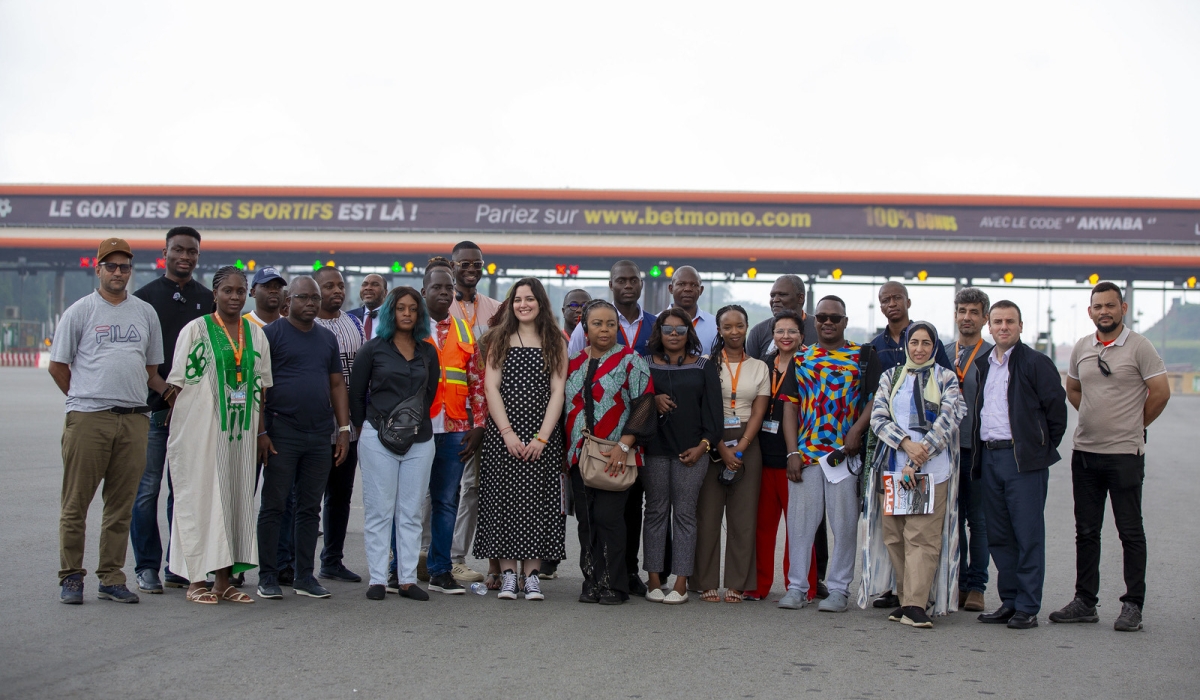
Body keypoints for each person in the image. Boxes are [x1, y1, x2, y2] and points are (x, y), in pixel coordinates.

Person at [49, 237, 166, 604]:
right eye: (111, 266)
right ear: (97, 269)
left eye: (125, 267)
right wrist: (85, 397)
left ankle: (111, 576)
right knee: (76, 504)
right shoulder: (80, 311)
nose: (118, 273)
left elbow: (151, 368)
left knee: (121, 505)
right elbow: (57, 365)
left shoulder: (145, 313)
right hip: (89, 418)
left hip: (133, 420)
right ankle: (71, 576)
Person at [1049, 282, 1169, 632]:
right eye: (1098, 306)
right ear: (1090, 312)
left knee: (1129, 531)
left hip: (1124, 455)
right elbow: (1072, 388)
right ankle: (1085, 601)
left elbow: (1160, 392)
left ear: (1123, 308)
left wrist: (1134, 424)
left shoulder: (1140, 347)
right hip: (1085, 452)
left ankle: (1133, 604)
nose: (1104, 311)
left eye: (1110, 306)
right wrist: (1090, 414)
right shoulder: (1082, 348)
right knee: (1086, 531)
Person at [164, 266, 270, 605]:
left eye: (241, 291)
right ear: (215, 293)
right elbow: (177, 384)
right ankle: (196, 580)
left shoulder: (256, 335)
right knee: (201, 499)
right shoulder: (195, 330)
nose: (235, 296)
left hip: (240, 436)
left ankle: (224, 581)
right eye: (228, 290)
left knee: (234, 501)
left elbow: (262, 388)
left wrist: (261, 432)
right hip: (203, 433)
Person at [779, 296, 880, 612]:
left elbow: (875, 400)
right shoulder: (802, 357)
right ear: (814, 321)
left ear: (845, 322)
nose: (827, 322)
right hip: (807, 455)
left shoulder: (863, 356)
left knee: (845, 524)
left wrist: (857, 430)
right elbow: (789, 407)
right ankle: (797, 587)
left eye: (834, 318)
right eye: (821, 317)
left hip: (843, 457)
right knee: (800, 525)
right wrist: (792, 451)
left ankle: (838, 589)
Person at [864, 321, 967, 628]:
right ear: (906, 345)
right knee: (895, 536)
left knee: (922, 536)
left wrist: (921, 452)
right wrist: (906, 444)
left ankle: (915, 604)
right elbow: (878, 416)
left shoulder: (945, 378)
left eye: (926, 343)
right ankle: (906, 596)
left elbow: (951, 417)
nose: (919, 349)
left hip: (930, 472)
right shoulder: (891, 376)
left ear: (934, 346)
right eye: (914, 342)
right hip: (893, 469)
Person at [972, 300, 1067, 630]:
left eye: (1009, 321)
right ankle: (1009, 601)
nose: (1003, 327)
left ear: (1020, 326)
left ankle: (1028, 605)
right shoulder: (984, 363)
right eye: (997, 321)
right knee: (999, 535)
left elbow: (1057, 413)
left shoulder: (1036, 363)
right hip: (990, 455)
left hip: (1022, 460)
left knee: (1027, 535)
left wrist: (1039, 447)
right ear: (989, 325)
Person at [567, 260, 660, 595]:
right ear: (585, 329)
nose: (604, 329)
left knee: (611, 519)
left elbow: (645, 404)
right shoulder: (572, 362)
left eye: (609, 324)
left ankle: (614, 584)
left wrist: (625, 445)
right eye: (597, 324)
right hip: (579, 454)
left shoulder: (631, 361)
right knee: (586, 522)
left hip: (616, 452)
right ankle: (591, 581)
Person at [256, 276, 351, 601]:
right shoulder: (271, 335)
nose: (310, 303)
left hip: (318, 434)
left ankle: (304, 576)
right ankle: (268, 576)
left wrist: (342, 429)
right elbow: (259, 388)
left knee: (310, 508)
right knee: (274, 505)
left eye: (314, 298)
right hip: (282, 431)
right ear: (288, 301)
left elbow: (337, 384)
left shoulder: (326, 339)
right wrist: (262, 432)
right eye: (303, 298)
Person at [129, 226, 213, 594]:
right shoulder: (144, 300)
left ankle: (180, 565)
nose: (185, 256)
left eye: (191, 251)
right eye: (178, 249)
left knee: (184, 492)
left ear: (198, 255)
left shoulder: (209, 300)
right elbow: (139, 359)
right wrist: (166, 392)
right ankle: (147, 566)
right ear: (165, 252)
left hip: (194, 415)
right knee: (147, 489)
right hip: (155, 412)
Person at [473, 278, 568, 601]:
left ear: (541, 303)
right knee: (503, 502)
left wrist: (542, 438)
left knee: (539, 502)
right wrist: (508, 433)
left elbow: (558, 391)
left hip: (543, 436)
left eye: (529, 299)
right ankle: (509, 574)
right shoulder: (499, 338)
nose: (523, 304)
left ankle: (532, 577)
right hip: (504, 436)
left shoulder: (555, 340)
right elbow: (491, 388)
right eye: (517, 299)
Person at [349, 287, 440, 601]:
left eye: (413, 309)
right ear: (390, 312)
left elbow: (429, 395)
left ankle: (407, 580)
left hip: (419, 439)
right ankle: (377, 579)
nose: (407, 313)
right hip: (377, 438)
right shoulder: (372, 349)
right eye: (400, 308)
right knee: (379, 511)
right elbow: (356, 395)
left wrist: (409, 425)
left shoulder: (428, 351)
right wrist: (369, 429)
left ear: (419, 314)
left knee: (411, 512)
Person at [643, 308, 723, 604]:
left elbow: (715, 419)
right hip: (654, 450)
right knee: (655, 513)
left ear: (690, 333)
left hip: (692, 451)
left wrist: (702, 447)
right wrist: (652, 399)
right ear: (658, 333)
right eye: (667, 329)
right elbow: (633, 401)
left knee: (685, 515)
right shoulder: (644, 363)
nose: (673, 334)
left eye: (680, 329)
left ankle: (680, 582)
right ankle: (653, 580)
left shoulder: (704, 366)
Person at [694, 304, 770, 603]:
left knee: (743, 517)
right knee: (708, 515)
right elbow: (700, 408)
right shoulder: (705, 363)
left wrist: (741, 446)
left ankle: (738, 582)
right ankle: (705, 580)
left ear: (747, 327)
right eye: (728, 327)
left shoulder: (759, 367)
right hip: (711, 442)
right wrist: (721, 446)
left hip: (748, 444)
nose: (734, 332)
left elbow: (759, 411)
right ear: (719, 330)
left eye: (739, 326)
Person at [418, 262, 486, 595]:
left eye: (448, 289)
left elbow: (477, 381)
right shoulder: (409, 326)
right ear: (424, 291)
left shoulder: (463, 330)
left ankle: (440, 570)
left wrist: (479, 425)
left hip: (455, 428)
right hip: (416, 430)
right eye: (437, 288)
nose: (444, 293)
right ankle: (395, 569)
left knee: (446, 502)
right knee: (408, 502)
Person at [447, 241, 503, 584]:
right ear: (452, 265)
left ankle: (456, 557)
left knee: (472, 488)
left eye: (477, 264)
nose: (471, 269)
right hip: (447, 411)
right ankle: (423, 552)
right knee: (435, 487)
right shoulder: (440, 306)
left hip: (485, 415)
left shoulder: (496, 310)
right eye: (464, 263)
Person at [747, 310, 806, 602]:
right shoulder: (762, 365)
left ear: (802, 336)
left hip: (794, 458)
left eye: (792, 331)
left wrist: (797, 452)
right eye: (780, 331)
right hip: (763, 455)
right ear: (772, 335)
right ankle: (758, 586)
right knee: (762, 527)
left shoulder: (809, 365)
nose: (786, 336)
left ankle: (799, 586)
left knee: (798, 528)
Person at [313, 267, 366, 583]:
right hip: (316, 426)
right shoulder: (308, 325)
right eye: (328, 285)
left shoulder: (354, 324)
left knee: (340, 496)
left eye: (340, 285)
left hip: (349, 428)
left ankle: (332, 559)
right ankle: (295, 562)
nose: (337, 290)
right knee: (307, 498)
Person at [952, 287, 993, 612]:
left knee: (977, 520)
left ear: (984, 318)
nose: (967, 317)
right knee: (953, 518)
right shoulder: (940, 352)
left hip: (978, 451)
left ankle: (977, 585)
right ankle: (959, 581)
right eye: (962, 311)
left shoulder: (992, 356)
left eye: (973, 312)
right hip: (945, 450)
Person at [568, 260, 658, 356]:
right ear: (611, 285)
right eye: (621, 281)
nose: (628, 285)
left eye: (634, 281)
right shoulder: (588, 323)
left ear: (641, 284)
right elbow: (572, 363)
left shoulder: (656, 324)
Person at [746, 275, 818, 359]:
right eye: (772, 295)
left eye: (782, 295)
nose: (775, 300)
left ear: (800, 298)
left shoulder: (819, 329)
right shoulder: (758, 332)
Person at [666, 266, 718, 354]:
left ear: (701, 290)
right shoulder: (655, 322)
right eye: (681, 284)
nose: (688, 289)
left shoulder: (715, 325)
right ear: (671, 288)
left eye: (694, 285)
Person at [348, 273, 389, 339]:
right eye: (364, 285)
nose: (368, 288)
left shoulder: (393, 317)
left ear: (385, 292)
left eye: (375, 285)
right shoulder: (349, 317)